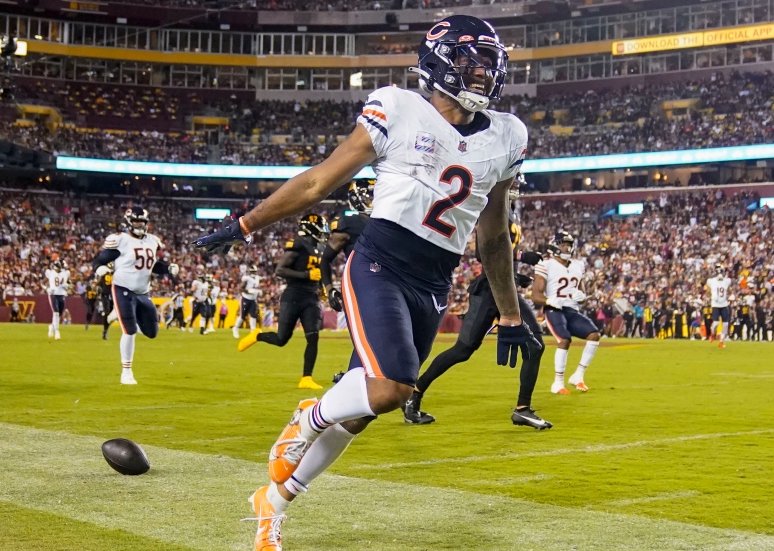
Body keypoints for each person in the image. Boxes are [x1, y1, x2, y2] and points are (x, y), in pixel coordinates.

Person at [193, 15, 537, 550]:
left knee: (359, 417)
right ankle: (307, 417)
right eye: (472, 63)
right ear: (441, 60)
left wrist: (511, 313)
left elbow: (493, 239)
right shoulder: (398, 108)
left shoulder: (507, 134)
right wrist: (244, 224)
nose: (482, 75)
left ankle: (271, 507)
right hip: (379, 261)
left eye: (489, 65)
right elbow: (316, 182)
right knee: (392, 387)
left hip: (434, 281)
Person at [406, 177, 550, 429]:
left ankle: (522, 409)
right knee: (463, 350)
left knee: (536, 346)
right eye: (514, 185)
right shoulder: (493, 209)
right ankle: (415, 392)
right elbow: (482, 252)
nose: (516, 189)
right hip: (489, 289)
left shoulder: (510, 213)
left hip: (505, 289)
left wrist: (515, 274)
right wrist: (520, 256)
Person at [237, 214, 328, 390]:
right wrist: (305, 275)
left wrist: (323, 288)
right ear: (311, 227)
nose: (323, 232)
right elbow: (280, 270)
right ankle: (257, 335)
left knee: (313, 336)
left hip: (311, 298)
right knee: (281, 339)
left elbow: (318, 272)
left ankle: (306, 378)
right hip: (293, 296)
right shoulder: (298, 244)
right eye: (320, 227)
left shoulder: (321, 247)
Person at [92, 207, 178, 385]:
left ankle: (123, 318)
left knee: (152, 332)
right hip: (123, 288)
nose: (139, 225)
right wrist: (100, 269)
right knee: (129, 331)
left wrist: (168, 268)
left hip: (142, 291)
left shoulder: (153, 241)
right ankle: (126, 372)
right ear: (129, 222)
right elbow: (100, 259)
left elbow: (153, 265)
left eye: (142, 222)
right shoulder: (121, 240)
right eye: (136, 222)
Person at [532, 232, 600, 394]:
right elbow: (536, 295)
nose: (567, 248)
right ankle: (558, 382)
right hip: (554, 309)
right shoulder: (545, 264)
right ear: (555, 245)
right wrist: (549, 301)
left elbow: (580, 291)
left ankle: (578, 375)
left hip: (571, 309)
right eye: (564, 244)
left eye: (569, 244)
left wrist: (582, 297)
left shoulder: (578, 265)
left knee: (594, 335)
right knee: (564, 339)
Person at [320, 181, 373, 313]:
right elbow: (325, 259)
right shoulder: (349, 222)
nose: (373, 200)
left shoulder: (388, 220)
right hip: (363, 284)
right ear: (356, 199)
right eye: (369, 196)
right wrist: (329, 288)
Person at [705, 264, 732, 348]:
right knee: (716, 323)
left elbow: (729, 290)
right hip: (715, 304)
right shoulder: (712, 281)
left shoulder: (727, 281)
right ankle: (712, 333)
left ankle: (721, 341)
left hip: (724, 304)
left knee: (725, 325)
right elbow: (708, 288)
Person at [233, 265, 262, 338]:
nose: (253, 273)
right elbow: (240, 289)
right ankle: (235, 328)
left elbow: (256, 287)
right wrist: (248, 291)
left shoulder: (257, 278)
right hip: (245, 298)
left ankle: (253, 331)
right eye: (252, 272)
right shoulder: (246, 278)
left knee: (254, 315)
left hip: (253, 299)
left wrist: (258, 291)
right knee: (243, 316)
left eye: (254, 272)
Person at [45, 260, 70, 340]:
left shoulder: (64, 273)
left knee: (59, 314)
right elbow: (43, 282)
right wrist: (47, 288)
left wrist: (67, 285)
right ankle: (57, 331)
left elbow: (67, 283)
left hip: (62, 294)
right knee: (55, 313)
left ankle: (51, 327)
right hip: (54, 294)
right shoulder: (50, 273)